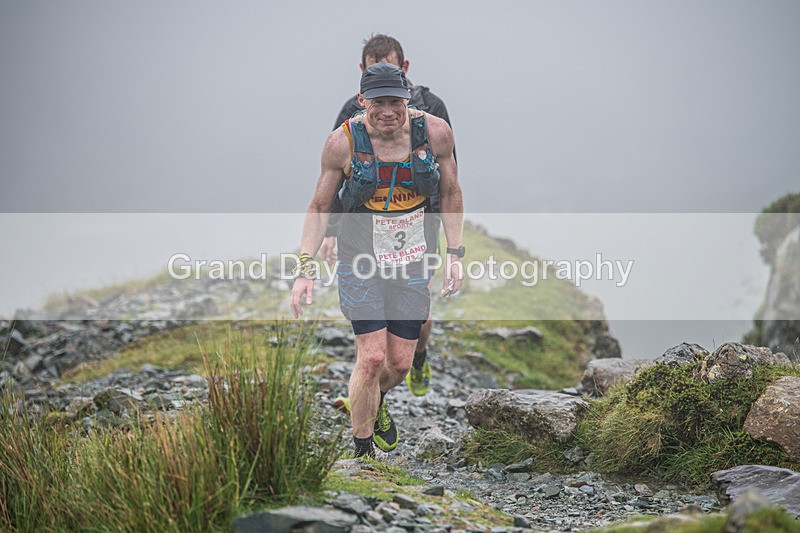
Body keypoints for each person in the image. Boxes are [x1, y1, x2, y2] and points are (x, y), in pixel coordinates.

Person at [291, 62, 464, 457]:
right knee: (370, 358)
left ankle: (369, 400)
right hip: (360, 258)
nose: (388, 111)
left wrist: (454, 253)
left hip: (413, 258)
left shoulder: (435, 133)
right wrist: (305, 269)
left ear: (408, 100)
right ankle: (362, 453)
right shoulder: (342, 142)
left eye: (396, 102)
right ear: (361, 101)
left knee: (399, 364)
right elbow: (319, 206)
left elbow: (452, 192)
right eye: (378, 103)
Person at [320, 34, 456, 397]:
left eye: (391, 69)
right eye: (371, 69)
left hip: (420, 225)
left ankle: (419, 356)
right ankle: (366, 387)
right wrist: (330, 231)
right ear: (362, 75)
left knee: (417, 316)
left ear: (405, 70)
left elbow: (449, 177)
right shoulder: (351, 111)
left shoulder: (433, 109)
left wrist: (449, 237)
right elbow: (335, 181)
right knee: (371, 341)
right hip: (365, 231)